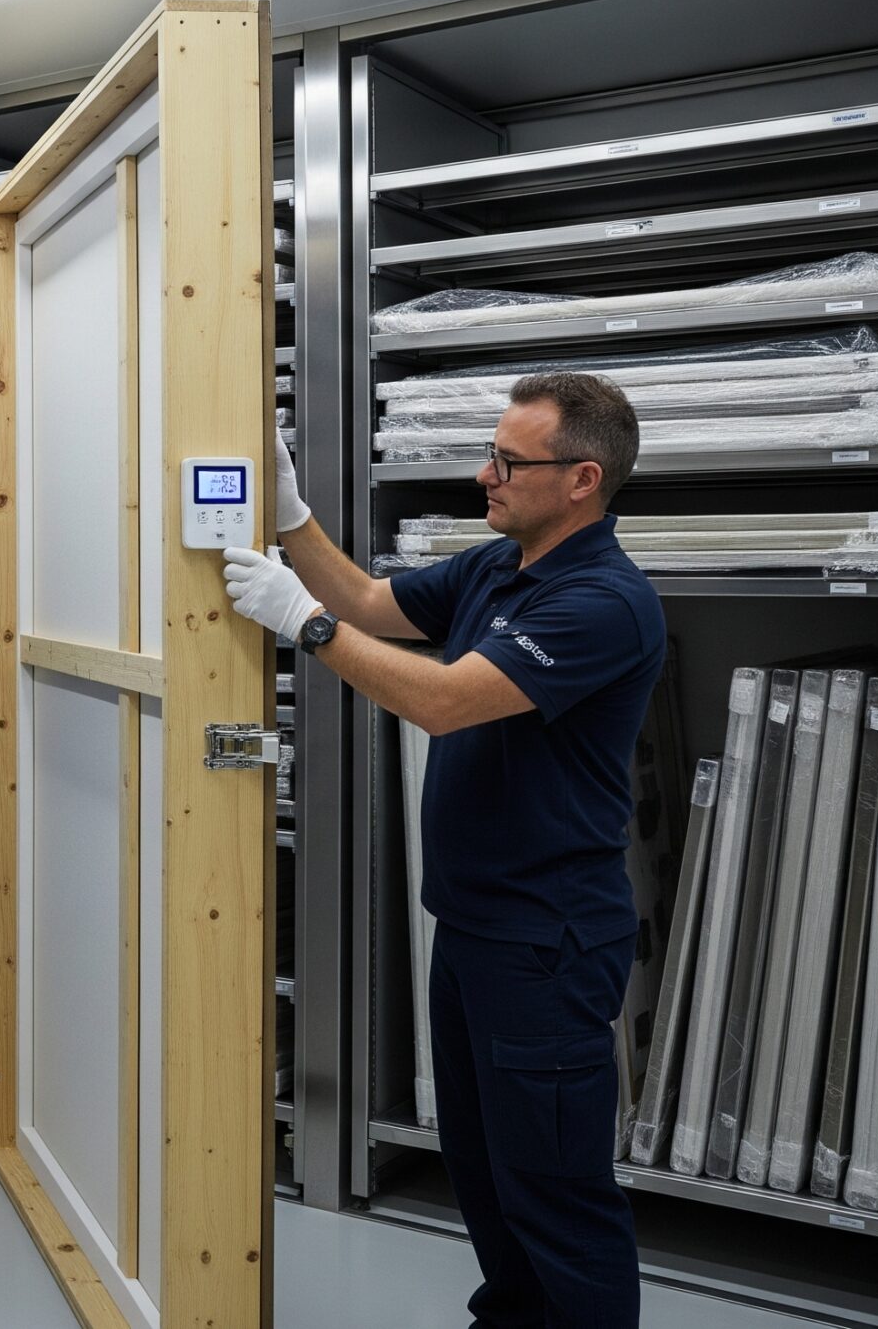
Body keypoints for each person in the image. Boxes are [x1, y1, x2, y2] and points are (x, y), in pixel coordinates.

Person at [222, 372, 665, 1329]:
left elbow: (443, 699)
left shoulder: (603, 602)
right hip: (471, 931)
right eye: (492, 452)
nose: (485, 474)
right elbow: (376, 603)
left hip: (546, 945)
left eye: (510, 461)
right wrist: (295, 518)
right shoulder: (496, 568)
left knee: (556, 1193)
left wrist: (303, 623)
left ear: (583, 479)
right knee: (489, 1177)